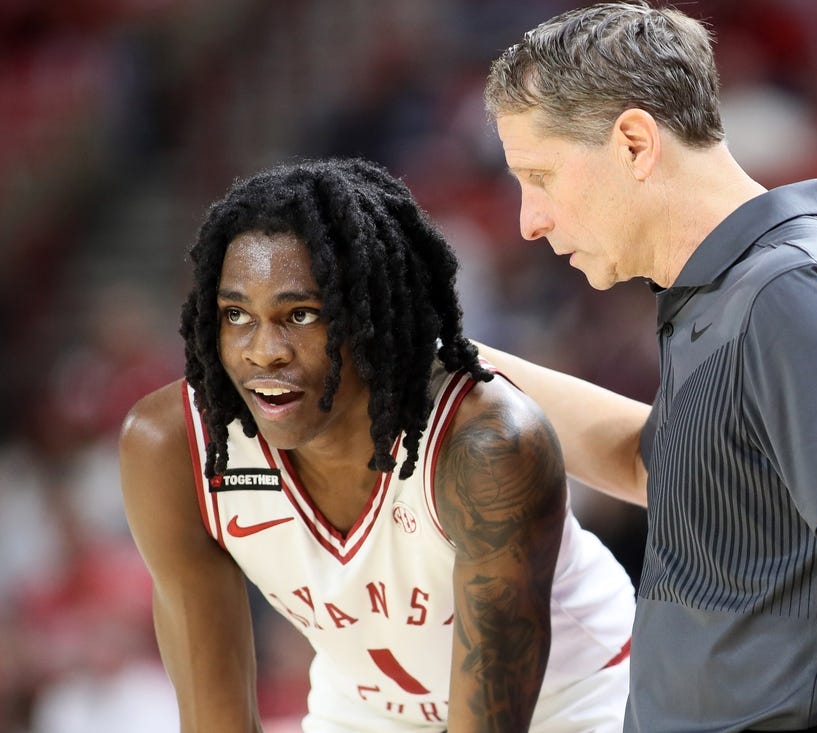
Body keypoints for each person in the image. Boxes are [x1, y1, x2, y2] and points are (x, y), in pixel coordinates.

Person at [479, 3, 817, 732]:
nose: (528, 219)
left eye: (538, 176)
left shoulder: (793, 293)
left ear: (634, 143)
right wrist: (446, 359)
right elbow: (653, 467)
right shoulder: (730, 289)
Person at [118, 158, 635, 733]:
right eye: (236, 314)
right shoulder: (172, 448)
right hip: (365, 712)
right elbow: (215, 719)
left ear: (367, 315)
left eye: (301, 314)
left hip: (575, 698)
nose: (264, 351)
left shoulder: (487, 447)